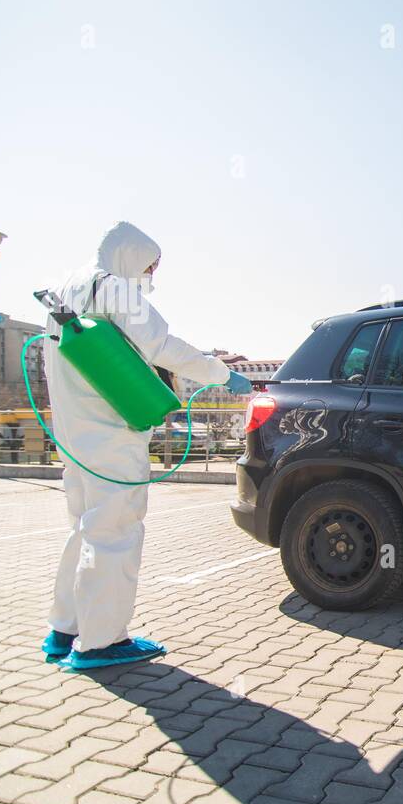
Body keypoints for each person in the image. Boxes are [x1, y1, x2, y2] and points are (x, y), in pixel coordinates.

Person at [42, 222, 252, 670]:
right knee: (115, 530)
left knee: (85, 526)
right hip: (110, 430)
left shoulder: (67, 288)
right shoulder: (115, 289)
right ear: (131, 257)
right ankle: (101, 641)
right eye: (150, 266)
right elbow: (161, 346)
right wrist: (220, 374)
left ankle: (65, 628)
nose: (151, 276)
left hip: (74, 431)